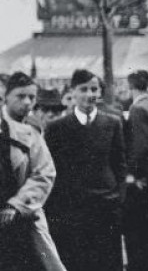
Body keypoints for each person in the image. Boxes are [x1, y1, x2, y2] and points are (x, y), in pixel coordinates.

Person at [45, 69, 127, 271]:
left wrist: (118, 197)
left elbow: (120, 164)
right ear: (72, 92)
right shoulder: (57, 127)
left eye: (94, 89)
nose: (90, 95)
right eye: (84, 89)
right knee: (76, 260)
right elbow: (51, 169)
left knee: (107, 261)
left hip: (105, 205)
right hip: (72, 209)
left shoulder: (112, 123)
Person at [0, 72, 64, 271]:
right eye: (20, 96)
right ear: (6, 96)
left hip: (21, 217)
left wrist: (17, 205)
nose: (27, 102)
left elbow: (44, 173)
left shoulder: (31, 132)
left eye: (31, 97)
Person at [124, 70, 148, 271]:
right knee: (145, 217)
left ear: (130, 86)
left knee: (136, 220)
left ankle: (140, 264)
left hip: (139, 173)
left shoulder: (137, 109)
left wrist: (131, 174)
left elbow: (139, 145)